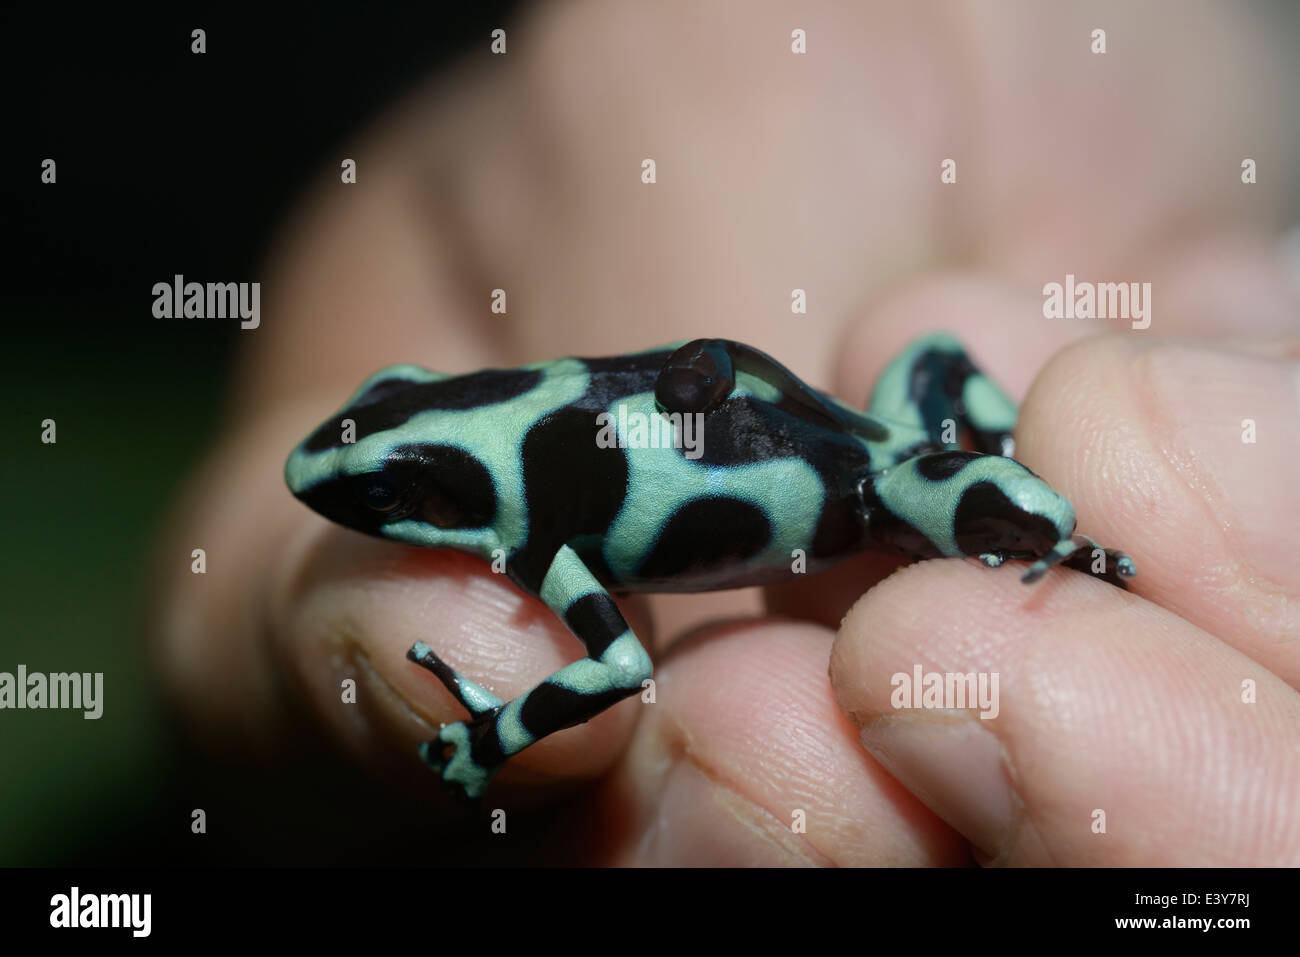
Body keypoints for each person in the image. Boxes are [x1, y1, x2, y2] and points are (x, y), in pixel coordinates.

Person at [151, 0, 1300, 864]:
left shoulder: (546, 545)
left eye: (393, 487)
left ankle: (1066, 533)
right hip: (847, 442)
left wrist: (494, 735)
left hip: (870, 488)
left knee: (995, 472)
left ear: (451, 481)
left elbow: (612, 662)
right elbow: (622, 660)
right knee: (929, 371)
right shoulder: (537, 520)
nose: (357, 497)